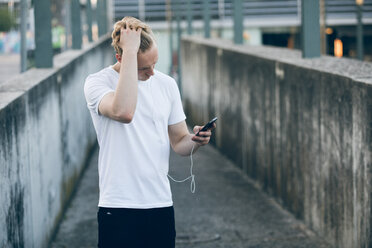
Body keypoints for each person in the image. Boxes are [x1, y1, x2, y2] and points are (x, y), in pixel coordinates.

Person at [84, 16, 216, 248]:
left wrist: (196, 140)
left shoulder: (166, 85)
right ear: (121, 58)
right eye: (144, 68)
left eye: (155, 64)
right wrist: (130, 53)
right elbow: (123, 111)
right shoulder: (98, 83)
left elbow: (179, 142)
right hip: (118, 207)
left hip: (160, 205)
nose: (152, 73)